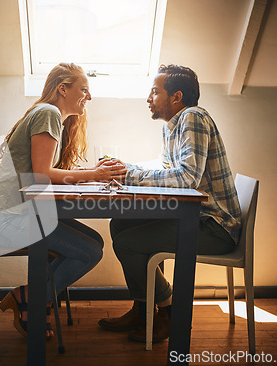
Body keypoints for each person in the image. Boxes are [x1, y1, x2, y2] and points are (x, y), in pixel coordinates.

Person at [98, 64, 242, 343]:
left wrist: (130, 174)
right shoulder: (171, 127)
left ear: (176, 97)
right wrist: (125, 166)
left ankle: (169, 311)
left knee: (128, 243)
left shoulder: (193, 118)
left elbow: (187, 177)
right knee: (121, 222)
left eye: (154, 92)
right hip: (195, 219)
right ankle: (143, 309)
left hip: (215, 227)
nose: (148, 98)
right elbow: (165, 167)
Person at [0, 63, 127, 338]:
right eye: (84, 89)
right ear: (63, 89)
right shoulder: (48, 113)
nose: (89, 97)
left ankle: (32, 298)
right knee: (89, 252)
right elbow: (41, 175)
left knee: (94, 242)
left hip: (15, 213)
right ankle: (31, 300)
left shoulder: (50, 116)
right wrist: (93, 175)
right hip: (6, 218)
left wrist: (90, 175)